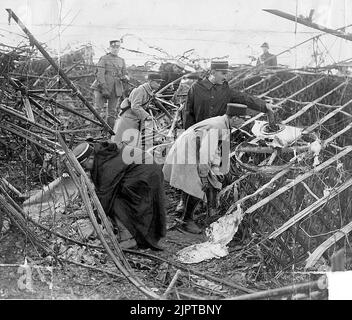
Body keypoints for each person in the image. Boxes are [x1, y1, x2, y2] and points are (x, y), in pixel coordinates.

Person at [163, 103, 249, 234]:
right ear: (235, 118)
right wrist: (204, 174)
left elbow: (219, 150)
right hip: (189, 148)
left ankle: (185, 211)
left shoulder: (225, 124)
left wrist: (220, 169)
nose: (244, 122)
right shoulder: (218, 126)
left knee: (193, 182)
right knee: (198, 184)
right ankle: (186, 221)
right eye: (243, 119)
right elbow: (206, 154)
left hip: (194, 147)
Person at [72, 141, 166, 250]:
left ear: (91, 158)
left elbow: (104, 197)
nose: (85, 170)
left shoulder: (107, 166)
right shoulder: (102, 154)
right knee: (115, 197)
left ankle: (129, 238)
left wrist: (94, 222)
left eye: (84, 166)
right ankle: (128, 232)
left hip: (147, 174)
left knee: (116, 201)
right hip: (142, 168)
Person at [184, 60, 276, 130]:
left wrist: (264, 105)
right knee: (203, 155)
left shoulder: (225, 90)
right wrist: (189, 133)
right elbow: (188, 113)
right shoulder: (196, 88)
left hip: (223, 133)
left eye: (226, 74)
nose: (225, 77)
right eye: (223, 74)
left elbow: (244, 98)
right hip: (201, 132)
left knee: (224, 155)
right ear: (212, 72)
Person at [113, 73, 164, 147]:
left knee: (131, 140)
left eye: (160, 83)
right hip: (129, 117)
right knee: (122, 139)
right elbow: (135, 106)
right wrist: (147, 116)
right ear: (150, 81)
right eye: (157, 82)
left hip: (134, 117)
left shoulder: (148, 91)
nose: (159, 85)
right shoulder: (140, 90)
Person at [91, 39, 128, 129]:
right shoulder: (104, 58)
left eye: (117, 47)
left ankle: (109, 133)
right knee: (97, 109)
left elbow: (125, 73)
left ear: (119, 48)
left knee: (112, 112)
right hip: (101, 87)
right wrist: (104, 88)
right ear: (109, 48)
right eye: (113, 47)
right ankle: (91, 132)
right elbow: (99, 74)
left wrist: (126, 77)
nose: (115, 49)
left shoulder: (121, 60)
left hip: (116, 89)